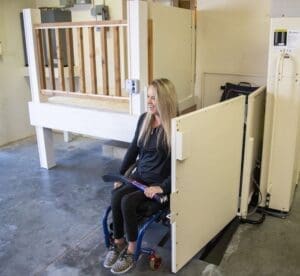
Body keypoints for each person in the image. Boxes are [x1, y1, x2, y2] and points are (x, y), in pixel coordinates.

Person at [103, 78, 177, 274]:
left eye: (154, 98)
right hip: (140, 178)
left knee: (127, 202)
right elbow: (133, 150)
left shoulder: (174, 127)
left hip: (156, 186)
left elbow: (179, 168)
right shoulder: (145, 118)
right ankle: (118, 242)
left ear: (165, 100)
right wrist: (121, 176)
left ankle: (131, 251)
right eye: (149, 97)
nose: (149, 101)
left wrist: (163, 187)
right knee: (116, 196)